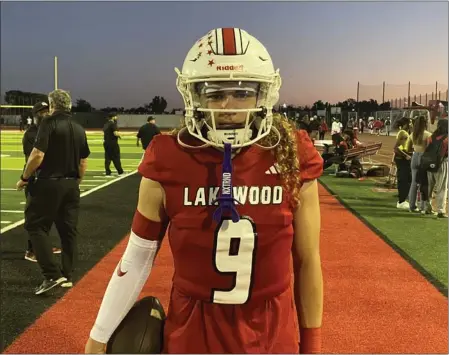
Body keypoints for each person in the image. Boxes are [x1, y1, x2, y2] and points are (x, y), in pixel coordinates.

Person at [86, 27, 323, 354]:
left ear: (263, 95)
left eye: (241, 92)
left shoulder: (291, 154)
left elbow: (308, 259)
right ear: (194, 96)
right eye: (214, 93)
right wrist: (97, 338)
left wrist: (312, 346)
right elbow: (139, 256)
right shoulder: (169, 156)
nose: (227, 105)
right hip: (192, 336)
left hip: (271, 337)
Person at [16, 89, 91, 295]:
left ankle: (51, 275)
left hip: (48, 183)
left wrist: (24, 177)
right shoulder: (78, 127)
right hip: (71, 185)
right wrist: (76, 181)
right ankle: (67, 275)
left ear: (52, 105)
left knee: (35, 226)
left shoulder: (48, 124)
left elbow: (37, 155)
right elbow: (83, 161)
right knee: (68, 232)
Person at [22, 102, 62, 262]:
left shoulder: (47, 131)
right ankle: (31, 250)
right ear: (36, 115)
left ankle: (43, 247)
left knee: (46, 217)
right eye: (42, 112)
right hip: (35, 180)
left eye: (48, 111)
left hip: (47, 179)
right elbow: (36, 158)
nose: (46, 114)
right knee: (35, 218)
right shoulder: (31, 134)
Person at [405, 115, 431, 212]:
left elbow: (407, 148)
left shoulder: (412, 134)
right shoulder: (428, 135)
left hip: (415, 156)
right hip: (423, 158)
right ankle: (423, 207)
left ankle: (411, 206)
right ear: (425, 123)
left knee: (414, 183)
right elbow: (429, 149)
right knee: (424, 183)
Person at [424, 118, 448, 218]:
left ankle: (426, 207)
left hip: (429, 164)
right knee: (442, 188)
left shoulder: (431, 137)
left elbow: (427, 149)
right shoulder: (447, 138)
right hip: (442, 164)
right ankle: (440, 210)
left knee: (429, 187)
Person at [393, 117, 412, 210]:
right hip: (402, 159)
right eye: (410, 123)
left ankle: (403, 199)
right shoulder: (403, 133)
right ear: (406, 124)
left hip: (402, 158)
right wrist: (406, 156)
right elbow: (396, 148)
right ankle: (402, 201)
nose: (412, 124)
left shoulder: (405, 133)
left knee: (407, 179)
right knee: (404, 180)